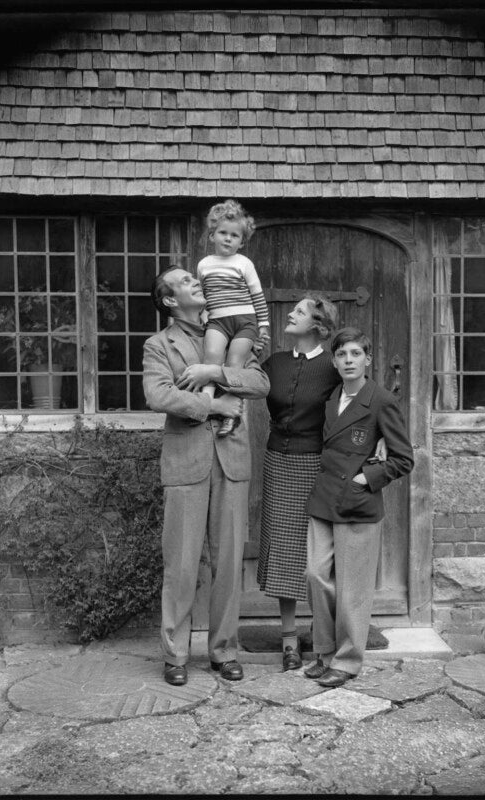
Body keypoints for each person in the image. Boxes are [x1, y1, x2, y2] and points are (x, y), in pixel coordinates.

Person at [142, 266, 270, 687]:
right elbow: (158, 394)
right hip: (185, 463)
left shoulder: (232, 332)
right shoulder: (159, 344)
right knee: (180, 563)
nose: (194, 281)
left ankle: (223, 651)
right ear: (169, 300)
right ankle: (176, 654)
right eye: (183, 281)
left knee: (230, 562)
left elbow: (259, 381)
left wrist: (213, 374)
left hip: (231, 462)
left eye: (193, 277)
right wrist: (214, 406)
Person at [304, 327, 414, 688]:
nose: (348, 360)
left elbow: (403, 459)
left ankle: (347, 661)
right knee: (316, 575)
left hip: (357, 502)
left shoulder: (381, 400)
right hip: (324, 500)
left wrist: (366, 479)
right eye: (341, 355)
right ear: (334, 361)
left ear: (368, 359)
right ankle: (324, 652)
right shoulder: (332, 396)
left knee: (353, 587)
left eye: (355, 354)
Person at [256, 295, 340, 671]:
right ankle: (289, 642)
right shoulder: (273, 363)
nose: (290, 314)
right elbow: (244, 385)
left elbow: (364, 401)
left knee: (319, 556)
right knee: (284, 550)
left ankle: (325, 640)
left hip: (317, 465)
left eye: (300, 312)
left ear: (318, 325)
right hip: (277, 462)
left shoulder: (333, 365)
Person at [196, 199, 271, 437]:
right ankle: (206, 398)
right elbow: (203, 296)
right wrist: (204, 315)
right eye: (223, 233)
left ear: (242, 241)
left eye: (235, 236)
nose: (228, 239)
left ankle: (231, 412)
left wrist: (263, 325)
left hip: (244, 321)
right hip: (218, 321)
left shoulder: (244, 263)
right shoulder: (204, 265)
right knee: (212, 358)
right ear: (212, 236)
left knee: (235, 364)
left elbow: (257, 296)